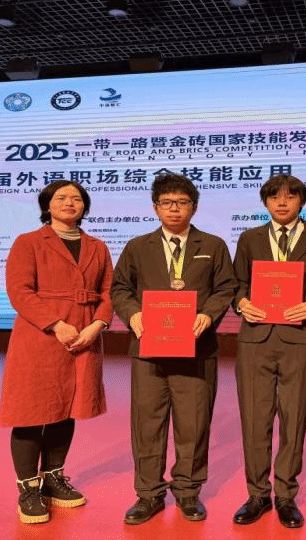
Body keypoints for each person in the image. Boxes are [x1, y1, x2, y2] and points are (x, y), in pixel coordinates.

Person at [111, 173, 237, 525]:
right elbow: (120, 289)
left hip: (197, 349)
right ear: (155, 208)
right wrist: (133, 314)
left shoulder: (213, 245)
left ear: (194, 207)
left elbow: (225, 288)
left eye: (181, 202)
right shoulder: (138, 246)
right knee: (147, 424)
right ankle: (148, 493)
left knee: (193, 424)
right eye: (167, 203)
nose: (174, 209)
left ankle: (188, 491)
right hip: (148, 350)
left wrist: (208, 315)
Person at [0, 180, 114, 524]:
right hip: (40, 336)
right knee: (31, 411)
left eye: (76, 198)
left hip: (85, 336)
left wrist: (98, 325)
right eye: (61, 197)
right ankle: (28, 488)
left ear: (85, 206)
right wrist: (56, 324)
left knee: (68, 408)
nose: (69, 202)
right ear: (47, 205)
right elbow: (19, 291)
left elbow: (109, 291)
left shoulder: (98, 246)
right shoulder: (29, 242)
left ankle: (53, 478)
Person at [232, 174, 306, 529]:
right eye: (274, 197)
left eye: (290, 197)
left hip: (301, 338)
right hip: (256, 339)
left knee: (295, 418)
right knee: (255, 419)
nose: (282, 202)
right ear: (265, 202)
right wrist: (242, 303)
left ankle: (286, 495)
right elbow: (237, 284)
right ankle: (257, 494)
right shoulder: (249, 239)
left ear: (301, 201)